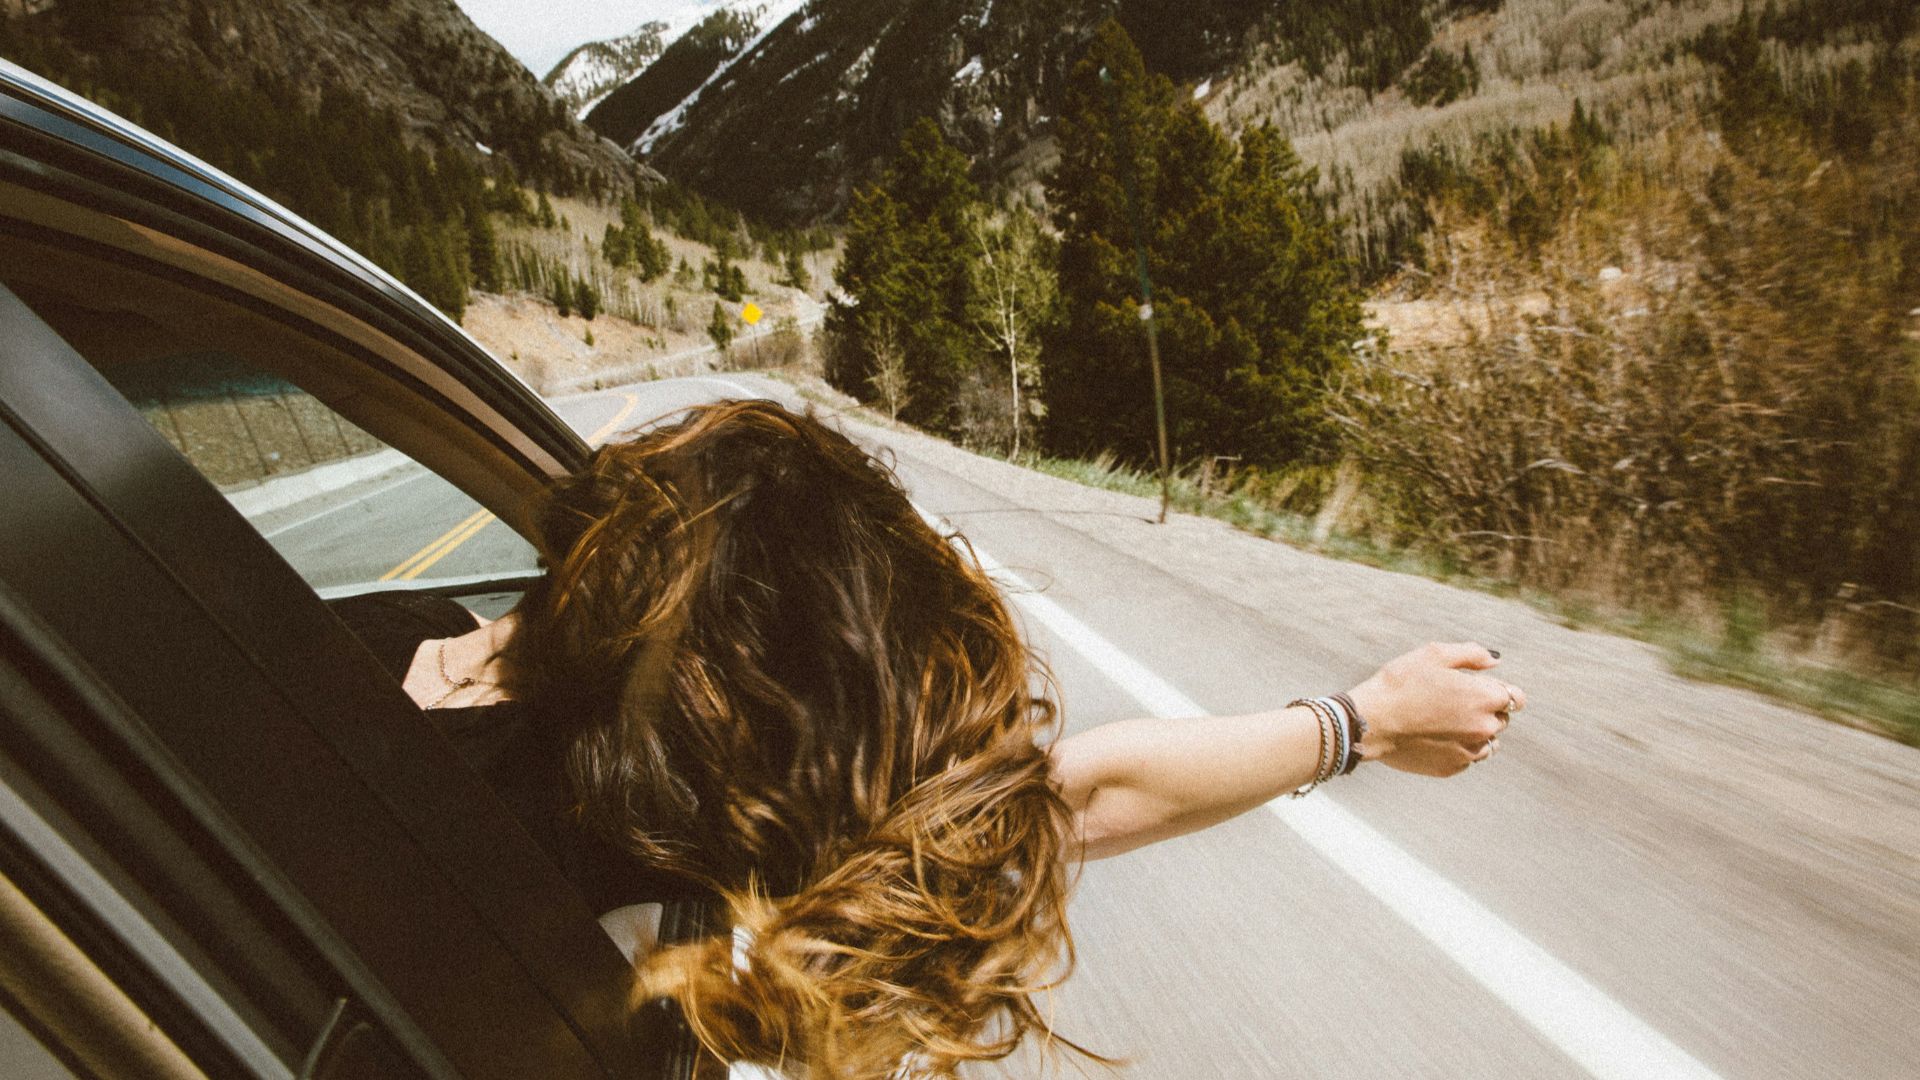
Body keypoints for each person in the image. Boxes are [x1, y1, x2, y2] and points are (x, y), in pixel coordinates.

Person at [345, 400, 1524, 1079]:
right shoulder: (650, 836)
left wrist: (1362, 722)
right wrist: (1361, 723)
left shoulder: (340, 640)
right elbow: (1081, 794)